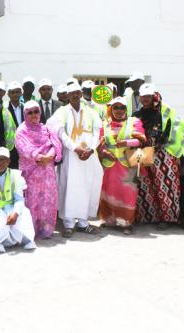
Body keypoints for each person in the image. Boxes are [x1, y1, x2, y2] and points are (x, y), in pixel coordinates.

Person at [133, 84, 184, 230]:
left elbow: (173, 128)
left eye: (148, 96)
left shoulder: (164, 111)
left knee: (166, 185)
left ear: (153, 96)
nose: (145, 99)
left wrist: (161, 142)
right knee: (144, 184)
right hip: (143, 151)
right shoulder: (137, 114)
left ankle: (168, 218)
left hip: (163, 152)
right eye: (143, 96)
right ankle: (149, 216)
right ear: (140, 97)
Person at [48, 83, 103, 238]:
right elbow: (59, 132)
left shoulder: (91, 112)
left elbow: (98, 131)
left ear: (80, 93)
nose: (75, 95)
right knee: (70, 187)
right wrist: (75, 148)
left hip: (89, 155)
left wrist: (91, 149)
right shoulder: (62, 112)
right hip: (71, 156)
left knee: (87, 186)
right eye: (71, 93)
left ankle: (84, 223)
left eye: (77, 92)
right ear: (67, 95)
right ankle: (69, 224)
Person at [98, 97, 146, 235]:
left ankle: (126, 223)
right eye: (116, 107)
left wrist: (126, 143)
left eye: (122, 108)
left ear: (126, 109)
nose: (119, 111)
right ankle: (109, 220)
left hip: (127, 165)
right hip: (109, 165)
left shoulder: (134, 122)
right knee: (108, 192)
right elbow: (99, 143)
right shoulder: (105, 124)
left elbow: (142, 140)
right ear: (111, 109)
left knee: (127, 194)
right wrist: (105, 152)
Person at [16, 101, 62, 239]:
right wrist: (39, 156)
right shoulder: (22, 130)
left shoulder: (46, 129)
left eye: (36, 111)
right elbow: (23, 147)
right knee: (32, 201)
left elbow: (56, 144)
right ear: (25, 114)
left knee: (47, 200)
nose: (33, 115)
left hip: (47, 172)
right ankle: (31, 230)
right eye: (29, 112)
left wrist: (49, 156)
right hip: (31, 173)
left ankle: (46, 229)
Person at [5, 81, 24, 168]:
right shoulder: (4, 109)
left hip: (25, 145)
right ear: (8, 94)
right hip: (11, 147)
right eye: (12, 92)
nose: (15, 94)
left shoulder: (26, 108)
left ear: (21, 93)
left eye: (17, 92)